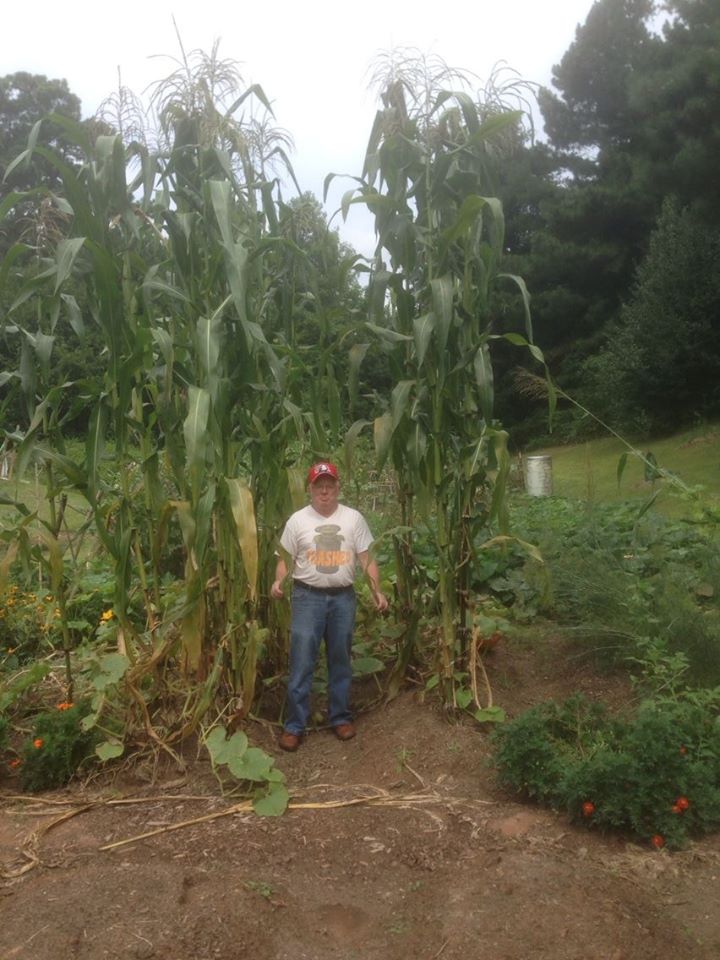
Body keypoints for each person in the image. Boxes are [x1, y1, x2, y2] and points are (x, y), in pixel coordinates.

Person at [271, 461, 389, 751]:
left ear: (337, 488)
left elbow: (366, 558)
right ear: (310, 489)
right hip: (306, 597)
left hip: (342, 599)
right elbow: (284, 559)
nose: (324, 491)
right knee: (301, 660)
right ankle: (295, 725)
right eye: (319, 486)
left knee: (340, 659)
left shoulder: (354, 519)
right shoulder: (297, 521)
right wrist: (278, 583)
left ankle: (340, 717)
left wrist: (377, 590)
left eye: (329, 485)